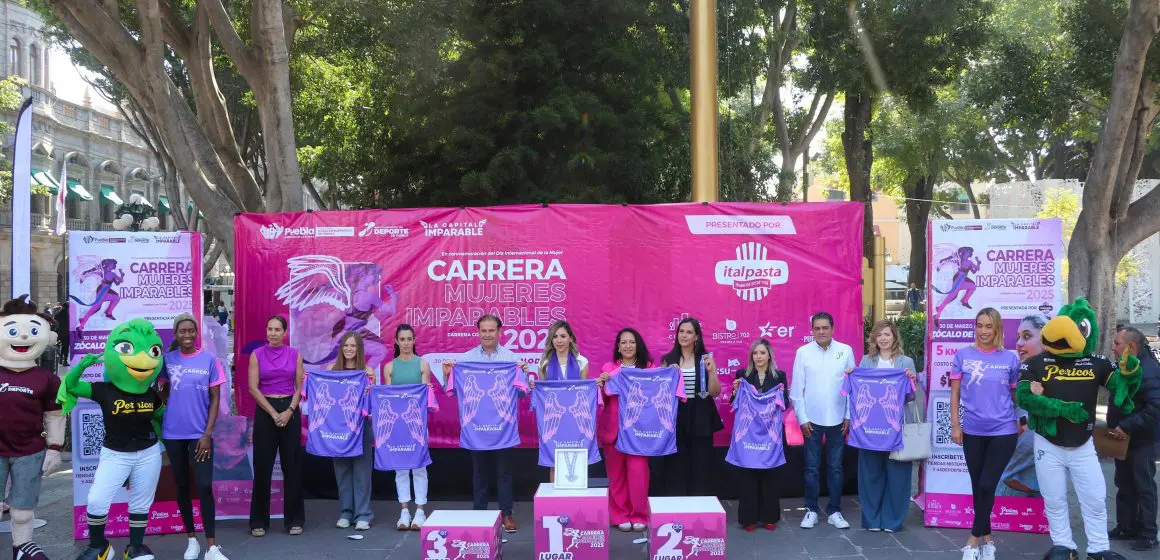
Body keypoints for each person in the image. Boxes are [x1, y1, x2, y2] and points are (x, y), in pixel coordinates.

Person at [1017, 298, 1141, 560]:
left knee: (1095, 499)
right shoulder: (1036, 362)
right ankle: (1063, 545)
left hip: (1083, 444)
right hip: (1047, 443)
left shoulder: (1096, 362)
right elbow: (1025, 398)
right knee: (1054, 499)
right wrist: (1063, 408)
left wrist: (1129, 373)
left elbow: (1119, 386)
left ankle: (1098, 548)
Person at [59, 319, 166, 560]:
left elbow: (161, 415)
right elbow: (72, 386)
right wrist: (80, 367)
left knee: (140, 502)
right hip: (115, 453)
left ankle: (135, 548)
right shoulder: (104, 389)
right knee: (97, 499)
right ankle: (99, 546)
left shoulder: (150, 393)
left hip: (148, 453)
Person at [441, 314, 530, 533]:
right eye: (484, 331)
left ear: (499, 332)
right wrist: (447, 375)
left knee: (504, 473)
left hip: (503, 430)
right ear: (478, 332)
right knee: (479, 474)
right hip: (477, 430)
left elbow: (521, 395)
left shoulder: (511, 359)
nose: (488, 334)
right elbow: (453, 393)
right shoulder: (466, 360)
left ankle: (506, 515)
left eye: (492, 330)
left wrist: (524, 374)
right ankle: (480, 515)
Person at [951, 308, 1020, 560]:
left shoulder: (1010, 359)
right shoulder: (963, 355)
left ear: (997, 328)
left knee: (987, 483)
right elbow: (955, 394)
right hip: (972, 431)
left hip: (1003, 431)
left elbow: (1015, 396)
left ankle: (972, 540)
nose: (983, 331)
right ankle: (988, 541)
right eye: (979, 325)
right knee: (978, 487)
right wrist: (955, 425)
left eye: (988, 326)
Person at [159, 314, 230, 560]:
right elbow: (162, 395)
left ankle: (211, 546)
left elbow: (216, 399)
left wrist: (207, 434)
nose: (187, 335)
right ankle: (191, 540)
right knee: (181, 485)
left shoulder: (209, 360)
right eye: (182, 331)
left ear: (196, 332)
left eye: (191, 331)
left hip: (200, 435)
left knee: (204, 486)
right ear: (175, 334)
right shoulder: (166, 361)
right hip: (173, 434)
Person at [0, 296, 64, 560]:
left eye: (32, 331)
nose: (24, 337)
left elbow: (54, 414)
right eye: (14, 331)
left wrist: (55, 448)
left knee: (23, 508)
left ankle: (22, 548)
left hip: (30, 451)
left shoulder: (46, 379)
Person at [791, 312, 856, 530]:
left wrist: (848, 415)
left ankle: (834, 511)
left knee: (835, 467)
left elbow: (852, 387)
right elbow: (796, 389)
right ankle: (810, 509)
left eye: (825, 328)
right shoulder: (803, 353)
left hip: (838, 420)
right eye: (817, 328)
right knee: (811, 467)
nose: (821, 332)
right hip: (811, 420)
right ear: (811, 330)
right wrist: (802, 418)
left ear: (832, 328)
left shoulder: (845, 351)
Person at [856, 320, 920, 533]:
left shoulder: (906, 362)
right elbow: (857, 392)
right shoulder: (866, 361)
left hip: (897, 428)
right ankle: (872, 520)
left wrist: (912, 381)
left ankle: (892, 521)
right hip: (870, 430)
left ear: (894, 338)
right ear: (874, 339)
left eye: (887, 334)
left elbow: (910, 397)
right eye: (879, 335)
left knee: (898, 475)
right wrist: (851, 375)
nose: (883, 338)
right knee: (870, 475)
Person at [248, 316, 306, 536]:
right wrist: (273, 413)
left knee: (292, 467)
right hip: (266, 410)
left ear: (284, 332)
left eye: (277, 329)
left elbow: (300, 387)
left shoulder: (295, 354)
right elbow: (253, 388)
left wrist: (289, 410)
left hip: (289, 408)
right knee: (263, 468)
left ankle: (294, 520)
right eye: (269, 329)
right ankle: (258, 522)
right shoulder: (257, 355)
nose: (272, 333)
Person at [596, 328, 654, 532]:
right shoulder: (608, 368)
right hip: (613, 431)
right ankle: (619, 514)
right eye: (623, 342)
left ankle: (639, 515)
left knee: (638, 473)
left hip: (639, 432)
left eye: (632, 342)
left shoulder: (648, 368)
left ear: (638, 346)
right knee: (616, 475)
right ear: (618, 347)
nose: (628, 346)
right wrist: (601, 385)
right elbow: (601, 401)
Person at [1108, 327, 1160, 552]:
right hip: (1122, 439)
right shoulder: (1124, 366)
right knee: (1124, 484)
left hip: (1142, 440)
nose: (1113, 347)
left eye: (1118, 343)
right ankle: (1126, 526)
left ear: (1131, 347)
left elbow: (1155, 408)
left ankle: (1148, 533)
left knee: (1143, 485)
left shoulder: (1149, 370)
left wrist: (1126, 426)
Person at [658, 317, 722, 497]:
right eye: (681, 331)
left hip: (701, 414)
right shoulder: (667, 360)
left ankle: (700, 504)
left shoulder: (705, 359)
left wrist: (711, 373)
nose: (684, 335)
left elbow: (715, 392)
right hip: (676, 415)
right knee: (676, 462)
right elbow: (662, 395)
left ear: (696, 337)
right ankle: (678, 504)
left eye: (689, 332)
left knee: (701, 462)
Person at [729, 339, 788, 532]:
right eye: (755, 353)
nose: (759, 356)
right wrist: (736, 390)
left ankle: (770, 517)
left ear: (769, 355)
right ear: (751, 356)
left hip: (770, 436)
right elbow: (733, 402)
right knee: (748, 477)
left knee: (769, 476)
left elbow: (785, 403)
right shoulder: (742, 376)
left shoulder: (779, 376)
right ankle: (749, 519)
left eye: (762, 352)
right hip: (748, 436)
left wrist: (780, 394)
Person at [383, 324, 433, 530]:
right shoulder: (389, 368)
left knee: (419, 467)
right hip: (396, 426)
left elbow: (424, 398)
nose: (405, 343)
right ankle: (404, 511)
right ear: (396, 341)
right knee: (401, 469)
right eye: (402, 339)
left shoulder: (423, 364)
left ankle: (420, 511)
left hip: (418, 425)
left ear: (414, 341)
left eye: (409, 339)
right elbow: (386, 398)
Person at [327, 331, 378, 531]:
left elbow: (373, 402)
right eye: (346, 345)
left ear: (359, 349)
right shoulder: (331, 369)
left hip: (361, 427)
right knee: (342, 471)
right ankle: (346, 512)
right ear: (341, 348)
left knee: (362, 471)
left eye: (353, 346)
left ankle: (364, 514)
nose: (349, 349)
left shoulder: (368, 371)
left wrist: (370, 387)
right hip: (337, 428)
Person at [997, 314, 1049, 499]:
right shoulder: (1016, 371)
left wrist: (1026, 421)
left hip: (1039, 464)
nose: (1019, 343)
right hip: (1014, 478)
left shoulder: (1060, 372)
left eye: (1026, 337)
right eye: (1018, 337)